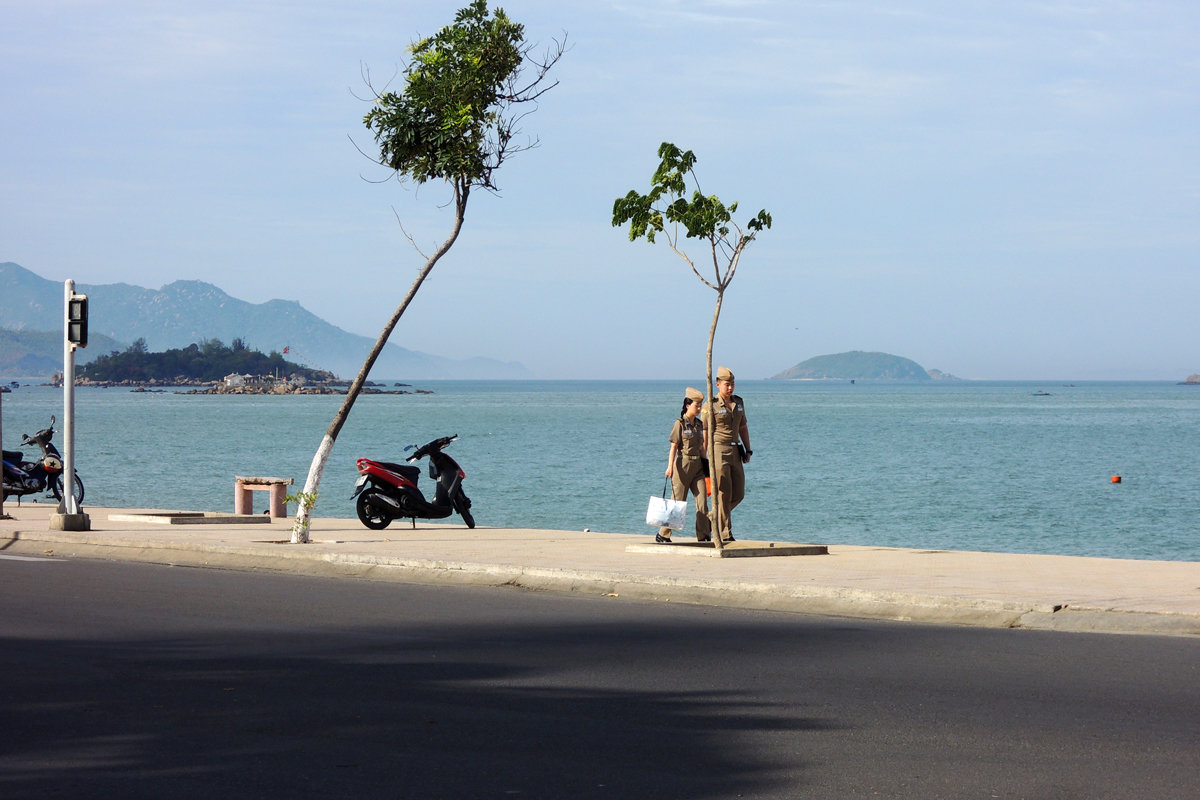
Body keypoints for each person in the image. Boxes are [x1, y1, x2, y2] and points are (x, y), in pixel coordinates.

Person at [657, 387, 711, 543]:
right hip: (682, 465)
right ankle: (663, 533)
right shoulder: (679, 424)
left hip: (698, 467)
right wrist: (669, 467)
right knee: (677, 502)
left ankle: (704, 536)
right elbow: (673, 447)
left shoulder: (699, 425)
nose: (700, 409)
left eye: (701, 405)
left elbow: (702, 448)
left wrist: (706, 467)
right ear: (688, 405)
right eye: (697, 405)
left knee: (702, 503)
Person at [704, 366, 751, 543]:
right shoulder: (711, 404)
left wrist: (748, 448)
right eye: (726, 384)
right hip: (718, 450)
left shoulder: (739, 403)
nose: (730, 388)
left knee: (738, 493)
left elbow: (743, 427)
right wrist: (705, 456)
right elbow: (706, 432)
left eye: (732, 384)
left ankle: (712, 517)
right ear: (717, 384)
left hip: (735, 449)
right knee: (723, 492)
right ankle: (725, 532)